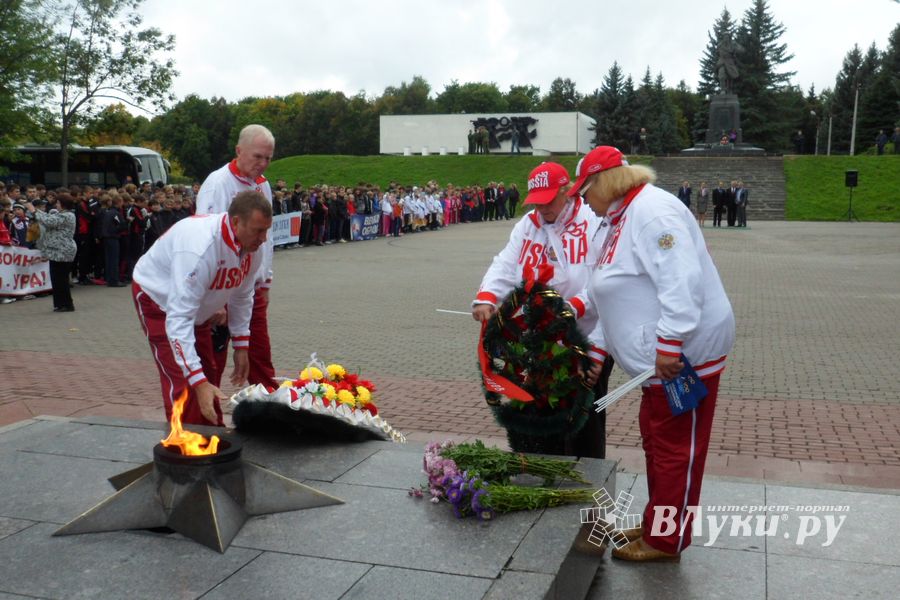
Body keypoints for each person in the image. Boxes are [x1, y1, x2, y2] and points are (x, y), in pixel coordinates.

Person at [569, 145, 735, 562]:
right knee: (657, 441)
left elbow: (682, 281)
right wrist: (599, 348)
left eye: (583, 191)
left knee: (676, 448)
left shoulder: (652, 212)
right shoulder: (616, 218)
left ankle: (666, 540)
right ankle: (659, 519)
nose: (581, 201)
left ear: (602, 183)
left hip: (682, 358)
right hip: (658, 363)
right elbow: (614, 296)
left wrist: (669, 344)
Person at [472, 162, 613, 459]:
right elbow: (506, 263)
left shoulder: (591, 221)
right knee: (538, 413)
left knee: (582, 422)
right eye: (538, 201)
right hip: (539, 341)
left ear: (567, 191)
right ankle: (540, 468)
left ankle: (587, 480)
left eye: (550, 200)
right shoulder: (528, 225)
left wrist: (574, 307)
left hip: (585, 337)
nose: (543, 207)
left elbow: (606, 280)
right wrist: (487, 296)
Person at [132, 191, 272, 426]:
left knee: (207, 375)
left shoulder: (251, 249)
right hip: (158, 299)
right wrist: (195, 379)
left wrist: (241, 344)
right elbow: (178, 319)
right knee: (185, 379)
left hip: (195, 307)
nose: (264, 239)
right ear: (236, 222)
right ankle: (184, 445)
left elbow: (242, 295)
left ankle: (210, 433)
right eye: (258, 230)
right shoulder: (200, 249)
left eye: (266, 230)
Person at [196, 124, 277, 390]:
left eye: (268, 158)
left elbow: (267, 237)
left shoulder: (263, 186)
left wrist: (265, 279)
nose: (263, 164)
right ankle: (205, 419)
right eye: (257, 157)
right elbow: (205, 239)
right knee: (212, 361)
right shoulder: (218, 184)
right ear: (239, 151)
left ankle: (267, 413)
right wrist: (213, 296)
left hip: (249, 285)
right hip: (221, 286)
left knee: (259, 356)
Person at [25, 194, 77, 312]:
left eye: (58, 203)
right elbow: (47, 216)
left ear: (63, 204)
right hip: (56, 251)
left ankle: (67, 304)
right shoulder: (62, 214)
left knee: (61, 279)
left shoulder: (67, 215)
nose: (56, 205)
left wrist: (33, 210)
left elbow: (48, 221)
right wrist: (35, 210)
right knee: (56, 279)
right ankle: (60, 304)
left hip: (62, 251)